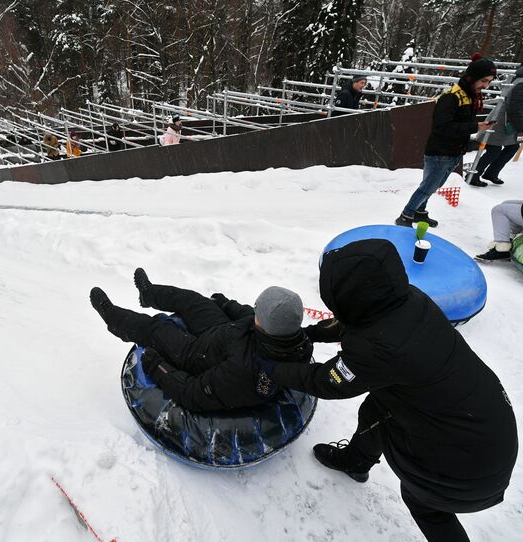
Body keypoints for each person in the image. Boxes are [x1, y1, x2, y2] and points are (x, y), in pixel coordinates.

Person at [257, 239, 517, 542]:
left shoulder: (380, 350)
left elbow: (326, 381)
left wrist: (272, 368)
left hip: (465, 467)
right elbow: (352, 323)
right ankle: (356, 461)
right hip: (486, 427)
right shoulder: (406, 299)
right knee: (379, 408)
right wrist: (309, 335)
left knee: (424, 504)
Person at [89, 269, 313, 412]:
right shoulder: (282, 335)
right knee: (191, 300)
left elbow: (194, 394)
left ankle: (112, 316)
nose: (254, 312)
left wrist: (158, 367)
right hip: (222, 330)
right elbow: (246, 314)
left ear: (264, 324)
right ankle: (148, 294)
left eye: (258, 311)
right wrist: (225, 304)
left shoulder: (244, 370)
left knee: (155, 328)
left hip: (197, 355)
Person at [395, 54, 497, 227]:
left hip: (453, 151)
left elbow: (461, 123)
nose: (485, 85)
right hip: (440, 152)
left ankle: (419, 212)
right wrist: (475, 127)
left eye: (489, 82)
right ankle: (406, 215)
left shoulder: (469, 96)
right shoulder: (451, 97)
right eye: (483, 80)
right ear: (472, 77)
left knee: (433, 185)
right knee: (428, 187)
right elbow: (442, 127)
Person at [474, 64, 523, 185]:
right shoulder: (521, 82)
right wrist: (521, 127)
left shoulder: (518, 77)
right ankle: (473, 175)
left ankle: (491, 173)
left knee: (512, 147)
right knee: (493, 149)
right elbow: (515, 107)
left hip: (509, 120)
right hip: (502, 120)